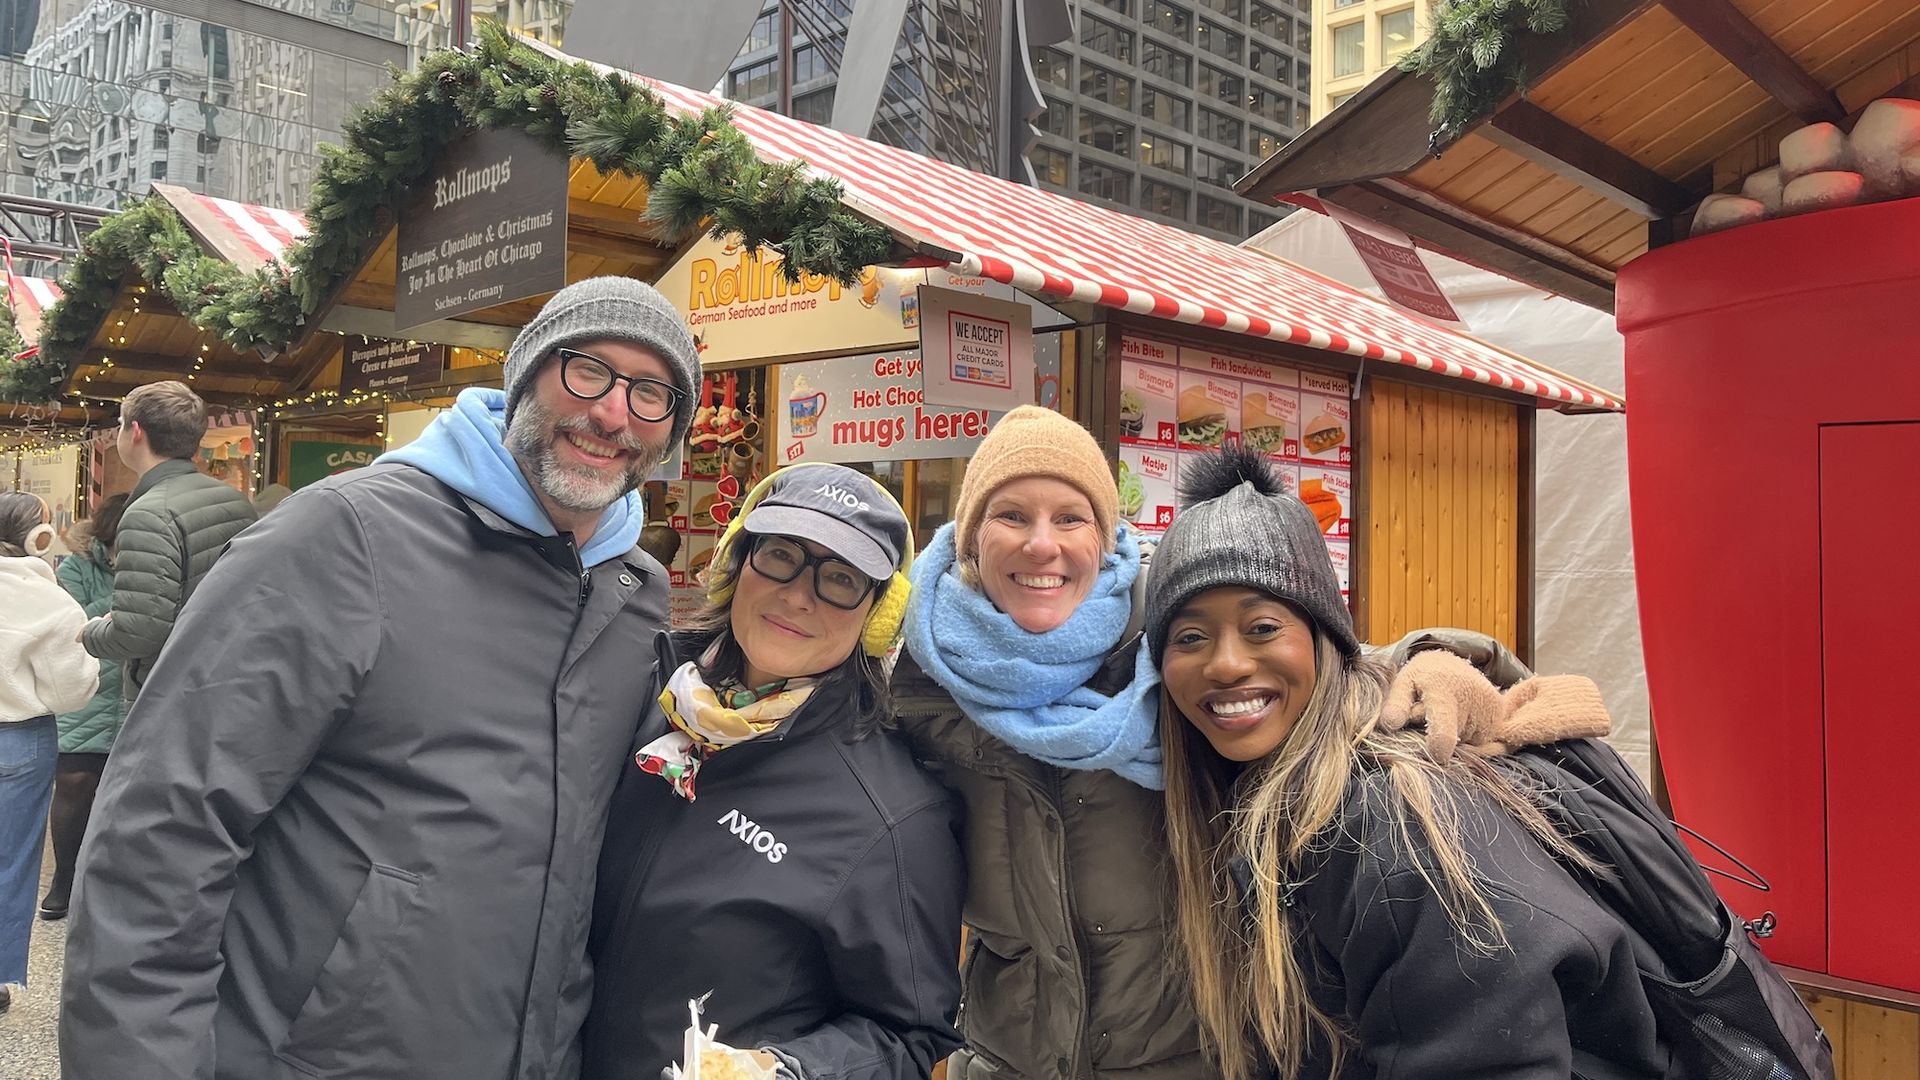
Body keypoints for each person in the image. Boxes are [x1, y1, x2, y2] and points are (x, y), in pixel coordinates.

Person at [61, 276, 703, 1080]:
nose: (613, 414)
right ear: (528, 374)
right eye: (588, 371)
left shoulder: (635, 600)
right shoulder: (344, 537)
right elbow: (162, 832)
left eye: (652, 393)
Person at [1148, 447, 1661, 1080]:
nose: (1225, 663)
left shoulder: (1388, 823)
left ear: (1325, 642)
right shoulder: (1268, 795)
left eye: (1261, 626)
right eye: (1190, 637)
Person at [583, 462, 964, 1080]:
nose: (797, 594)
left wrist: (785, 1070)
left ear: (878, 614)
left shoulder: (891, 816)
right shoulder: (642, 700)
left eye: (840, 578)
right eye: (782, 555)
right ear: (738, 562)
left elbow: (913, 1030)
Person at [896, 405, 1199, 1080]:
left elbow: (1318, 671)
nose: (1041, 544)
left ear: (1104, 535)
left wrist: (1436, 660)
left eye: (1070, 517)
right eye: (1011, 515)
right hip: (1008, 1063)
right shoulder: (919, 674)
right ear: (973, 536)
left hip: (1183, 1061)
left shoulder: (1180, 637)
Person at [80, 380, 257, 699]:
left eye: (119, 425)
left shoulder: (148, 513)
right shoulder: (236, 500)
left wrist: (90, 632)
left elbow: (138, 631)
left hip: (168, 691)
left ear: (135, 432)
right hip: (228, 679)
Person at [0, 492, 98, 1014]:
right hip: (20, 738)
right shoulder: (52, 601)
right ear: (38, 540)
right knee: (10, 861)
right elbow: (70, 692)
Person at [41, 493, 130, 921]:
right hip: (87, 690)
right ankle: (65, 875)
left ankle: (112, 881)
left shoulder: (161, 559)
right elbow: (70, 623)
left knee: (127, 792)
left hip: (136, 692)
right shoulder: (76, 567)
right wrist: (126, 598)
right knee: (75, 781)